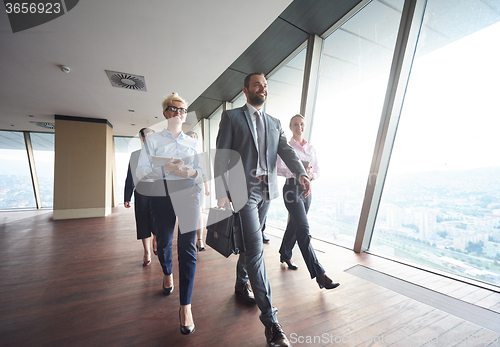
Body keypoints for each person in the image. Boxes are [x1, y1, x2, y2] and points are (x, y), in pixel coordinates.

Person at [214, 73, 310, 347]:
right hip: (243, 192)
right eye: (257, 85)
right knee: (255, 249)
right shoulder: (232, 117)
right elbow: (223, 154)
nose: (263, 88)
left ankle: (239, 285)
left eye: (266, 85)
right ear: (246, 90)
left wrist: (301, 172)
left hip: (267, 192)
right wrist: (222, 191)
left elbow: (286, 151)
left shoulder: (274, 122)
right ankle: (272, 323)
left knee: (248, 246)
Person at [136, 93, 203, 335]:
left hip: (188, 193)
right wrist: (165, 168)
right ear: (165, 113)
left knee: (187, 248)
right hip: (161, 195)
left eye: (182, 110)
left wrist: (191, 174)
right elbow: (142, 173)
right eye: (174, 109)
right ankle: (166, 272)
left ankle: (185, 306)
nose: (178, 113)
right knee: (163, 242)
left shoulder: (193, 143)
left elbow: (202, 173)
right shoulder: (152, 141)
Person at [277, 114, 340, 290]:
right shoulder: (286, 147)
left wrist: (310, 175)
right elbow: (278, 169)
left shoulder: (311, 148)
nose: (299, 127)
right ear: (290, 127)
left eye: (302, 124)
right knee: (303, 229)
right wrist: (298, 171)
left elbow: (318, 169)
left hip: (306, 190)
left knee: (295, 226)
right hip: (291, 189)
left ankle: (285, 253)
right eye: (295, 124)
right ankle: (320, 274)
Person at [124, 128, 156, 266]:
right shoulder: (135, 155)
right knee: (143, 222)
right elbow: (130, 176)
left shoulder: (160, 155)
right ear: (142, 139)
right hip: (141, 192)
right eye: (145, 137)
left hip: (157, 192)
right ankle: (147, 252)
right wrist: (127, 196)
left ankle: (156, 240)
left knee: (157, 220)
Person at [185, 130, 210, 252]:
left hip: (198, 185)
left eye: (195, 137)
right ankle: (188, 239)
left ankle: (199, 240)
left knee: (199, 212)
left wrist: (206, 187)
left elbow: (204, 172)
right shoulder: (182, 152)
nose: (193, 138)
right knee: (187, 214)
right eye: (190, 137)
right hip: (185, 186)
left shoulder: (201, 155)